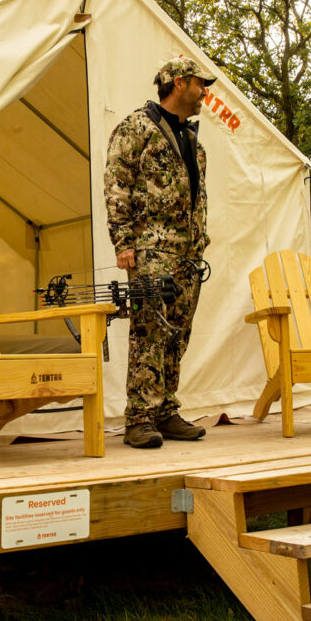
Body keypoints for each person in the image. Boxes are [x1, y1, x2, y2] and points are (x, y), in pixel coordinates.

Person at [104, 56, 215, 448]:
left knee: (177, 335)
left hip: (188, 253)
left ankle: (165, 411)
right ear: (180, 83)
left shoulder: (191, 138)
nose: (206, 92)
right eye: (202, 84)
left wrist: (200, 239)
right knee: (149, 331)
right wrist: (124, 242)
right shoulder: (136, 127)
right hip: (151, 250)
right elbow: (117, 183)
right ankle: (139, 419)